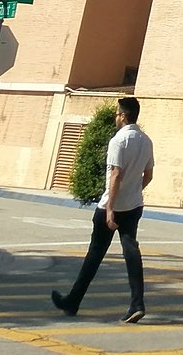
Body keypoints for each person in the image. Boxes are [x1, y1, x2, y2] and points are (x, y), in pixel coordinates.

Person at [52, 97, 154, 323]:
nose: (116, 117)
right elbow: (148, 175)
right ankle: (137, 303)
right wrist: (133, 190)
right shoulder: (146, 141)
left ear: (124, 116)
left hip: (112, 206)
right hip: (134, 205)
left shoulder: (118, 141)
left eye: (118, 114)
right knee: (131, 251)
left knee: (95, 254)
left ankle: (73, 301)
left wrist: (110, 209)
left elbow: (116, 174)